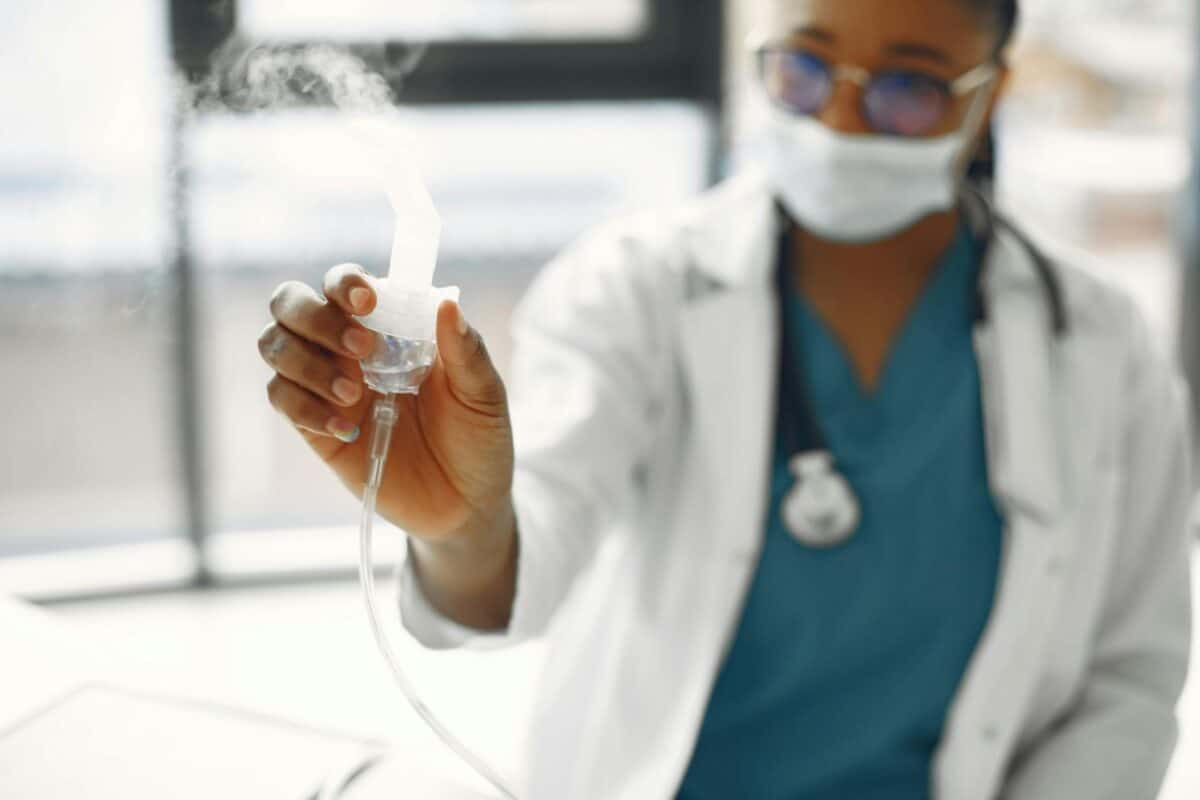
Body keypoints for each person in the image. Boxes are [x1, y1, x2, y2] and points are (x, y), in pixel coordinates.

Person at [257, 0, 1194, 797]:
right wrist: (465, 525)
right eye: (805, 70)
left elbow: (1133, 677)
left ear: (988, 94)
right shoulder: (633, 287)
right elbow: (524, 558)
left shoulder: (1105, 347)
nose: (842, 122)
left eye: (908, 87)